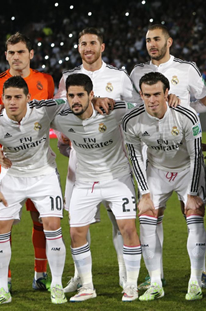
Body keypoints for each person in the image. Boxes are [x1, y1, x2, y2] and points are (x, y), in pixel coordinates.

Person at [129, 24, 206, 290]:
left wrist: (183, 108)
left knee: (191, 208)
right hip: (153, 153)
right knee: (152, 213)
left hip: (185, 146)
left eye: (157, 39)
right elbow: (136, 107)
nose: (152, 44)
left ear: (169, 42)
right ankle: (156, 275)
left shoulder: (186, 68)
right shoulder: (137, 72)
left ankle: (198, 274)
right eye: (148, 40)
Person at [54, 27, 138, 293]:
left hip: (113, 157)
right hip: (80, 159)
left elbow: (134, 109)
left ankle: (125, 275)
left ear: (102, 46)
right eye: (82, 44)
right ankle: (81, 276)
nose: (87, 48)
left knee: (119, 221)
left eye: (92, 43)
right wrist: (62, 138)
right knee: (78, 220)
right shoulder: (68, 77)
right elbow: (59, 111)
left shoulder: (118, 76)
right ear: (78, 48)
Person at [0, 76, 66, 306]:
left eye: (18, 97)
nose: (13, 102)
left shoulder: (43, 109)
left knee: (52, 224)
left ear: (28, 98)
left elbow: (70, 101)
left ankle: (56, 284)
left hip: (44, 174)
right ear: (3, 99)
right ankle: (1, 289)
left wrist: (95, 100)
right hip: (13, 175)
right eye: (8, 97)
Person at [122, 72, 206, 301]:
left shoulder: (187, 116)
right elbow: (135, 157)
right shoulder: (132, 120)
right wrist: (145, 193)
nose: (152, 100)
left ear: (166, 93)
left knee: (194, 214)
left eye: (157, 94)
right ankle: (156, 282)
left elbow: (196, 155)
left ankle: (195, 281)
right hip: (156, 171)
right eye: (146, 95)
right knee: (147, 216)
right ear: (141, 94)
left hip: (186, 170)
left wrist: (191, 193)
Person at [0, 32, 55, 291]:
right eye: (11, 53)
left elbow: (49, 118)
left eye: (21, 52)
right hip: (8, 166)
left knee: (42, 220)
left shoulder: (45, 81)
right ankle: (6, 279)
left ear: (31, 54)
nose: (16, 57)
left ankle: (40, 274)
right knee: (4, 224)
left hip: (38, 165)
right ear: (6, 55)